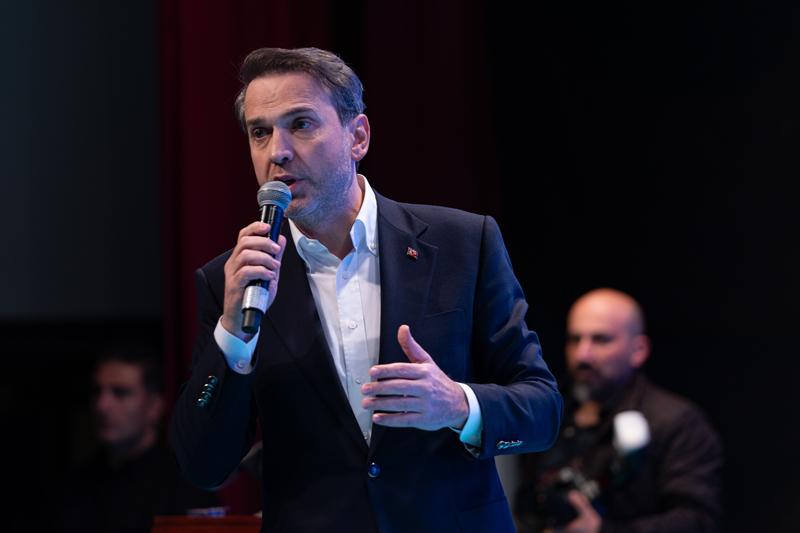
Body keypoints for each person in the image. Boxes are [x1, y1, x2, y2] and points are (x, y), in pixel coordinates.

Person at [169, 47, 563, 533]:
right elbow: (202, 465)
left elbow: (542, 410)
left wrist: (457, 404)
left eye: (301, 124)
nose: (277, 152)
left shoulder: (461, 244)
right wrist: (232, 336)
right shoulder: (230, 282)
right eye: (260, 132)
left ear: (358, 136)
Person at [514, 288, 723, 532]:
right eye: (575, 339)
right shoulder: (547, 411)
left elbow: (697, 521)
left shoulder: (677, 422)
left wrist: (601, 530)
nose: (583, 355)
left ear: (639, 350)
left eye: (601, 340)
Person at [55, 348, 219, 533]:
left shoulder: (184, 486)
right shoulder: (76, 485)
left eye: (120, 393)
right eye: (97, 391)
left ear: (154, 405)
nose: (102, 405)